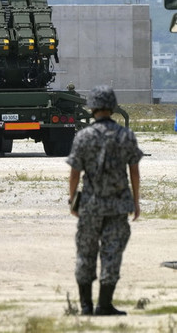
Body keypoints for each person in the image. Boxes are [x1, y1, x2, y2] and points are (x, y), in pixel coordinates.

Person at [68, 85, 142, 316]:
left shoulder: (83, 136)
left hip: (90, 205)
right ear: (111, 107)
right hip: (118, 205)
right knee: (112, 253)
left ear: (91, 107)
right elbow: (134, 171)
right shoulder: (125, 135)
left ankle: (86, 306)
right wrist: (136, 202)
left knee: (85, 252)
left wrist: (72, 200)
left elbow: (74, 172)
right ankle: (104, 304)